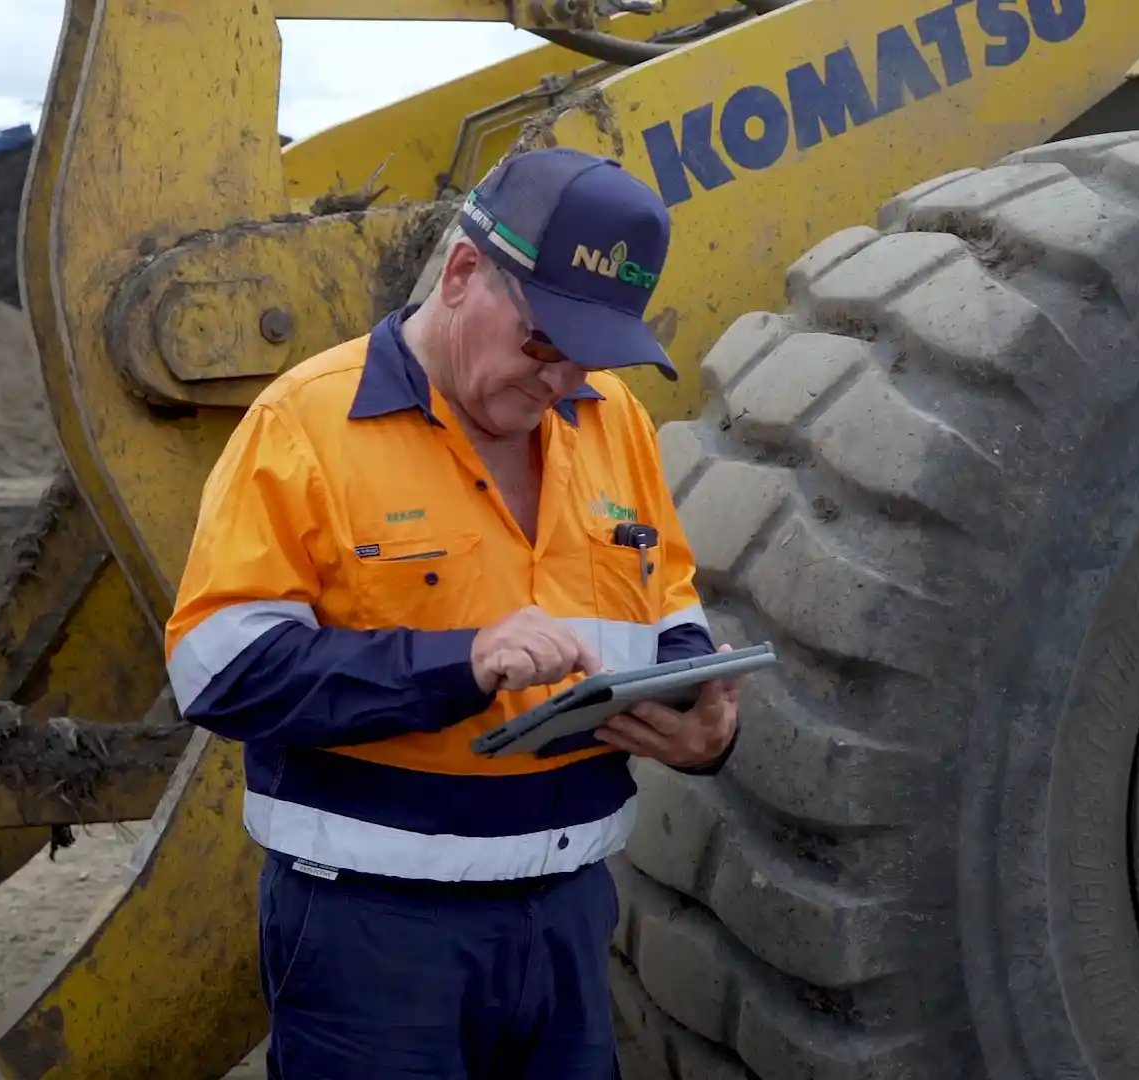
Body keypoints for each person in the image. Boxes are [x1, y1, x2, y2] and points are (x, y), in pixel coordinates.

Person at [164, 146, 743, 1079]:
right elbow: (218, 671)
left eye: (591, 354)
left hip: (569, 913)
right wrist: (460, 663)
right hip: (374, 934)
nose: (563, 381)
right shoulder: (305, 425)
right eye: (545, 343)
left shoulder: (610, 419)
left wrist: (698, 715)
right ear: (465, 272)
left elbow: (664, 597)